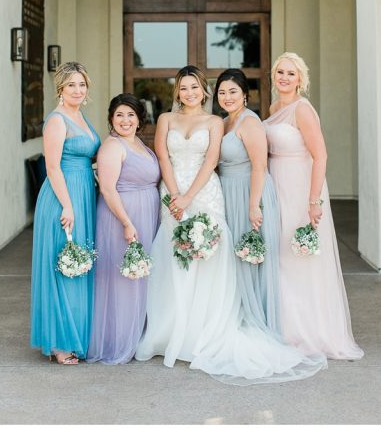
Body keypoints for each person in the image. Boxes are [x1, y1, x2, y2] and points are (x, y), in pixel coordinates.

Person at [135, 65, 325, 383]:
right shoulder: (179, 120)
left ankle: (202, 329)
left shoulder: (216, 123)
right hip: (174, 193)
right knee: (173, 257)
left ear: (203, 91)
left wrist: (194, 196)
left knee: (211, 258)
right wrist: (174, 196)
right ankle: (170, 330)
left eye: (196, 87)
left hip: (207, 191)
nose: (190, 93)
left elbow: (214, 160)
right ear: (177, 91)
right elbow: (163, 156)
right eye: (183, 87)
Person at [264, 53, 363, 359]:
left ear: (300, 79)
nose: (284, 77)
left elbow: (320, 155)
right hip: (277, 184)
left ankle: (310, 332)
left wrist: (313, 200)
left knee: (299, 258)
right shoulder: (274, 107)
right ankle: (286, 327)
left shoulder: (302, 109)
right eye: (280, 72)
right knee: (281, 256)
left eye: (290, 74)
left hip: (300, 185)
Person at [30, 62, 101, 364]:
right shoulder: (57, 120)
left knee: (80, 263)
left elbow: (89, 156)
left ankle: (77, 335)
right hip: (63, 197)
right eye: (71, 84)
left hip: (84, 190)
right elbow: (52, 166)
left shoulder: (80, 116)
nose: (78, 90)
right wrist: (68, 205)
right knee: (65, 264)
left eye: (82, 84)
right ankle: (60, 343)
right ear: (60, 88)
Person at [87, 94, 160, 364]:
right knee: (122, 279)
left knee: (140, 276)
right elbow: (107, 189)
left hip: (146, 213)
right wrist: (127, 223)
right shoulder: (112, 146)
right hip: (121, 217)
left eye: (131, 115)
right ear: (111, 119)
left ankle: (138, 333)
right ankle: (117, 339)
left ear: (140, 119)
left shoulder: (138, 143)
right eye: (119, 115)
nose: (125, 120)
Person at [217, 68, 281, 331]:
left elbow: (259, 166)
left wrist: (254, 205)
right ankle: (237, 314)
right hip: (228, 192)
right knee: (233, 258)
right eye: (222, 92)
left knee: (249, 256)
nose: (227, 97)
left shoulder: (250, 122)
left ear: (245, 95)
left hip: (248, 191)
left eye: (233, 91)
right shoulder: (223, 122)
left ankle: (257, 319)